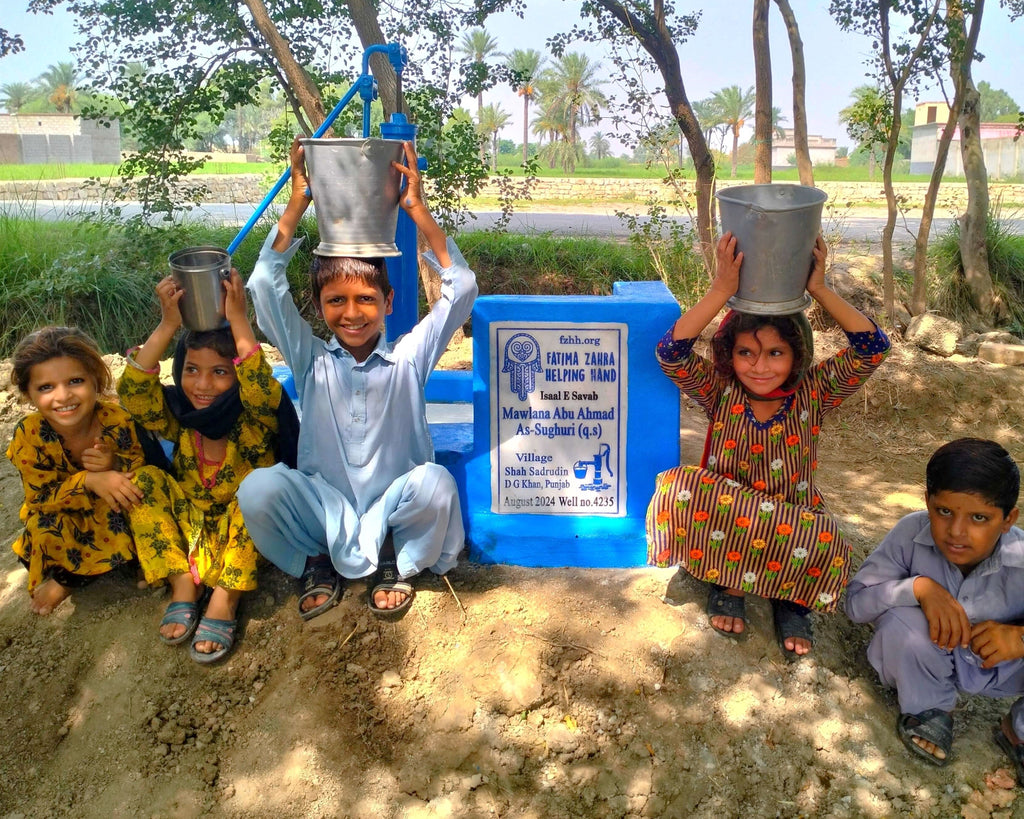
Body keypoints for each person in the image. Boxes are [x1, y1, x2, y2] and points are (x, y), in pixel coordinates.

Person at [237, 137, 475, 620]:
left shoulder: (408, 358)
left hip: (396, 507)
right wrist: (298, 201)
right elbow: (263, 283)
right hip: (324, 508)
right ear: (320, 308)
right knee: (257, 490)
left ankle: (396, 561)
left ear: (388, 303)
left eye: (366, 299)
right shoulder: (311, 361)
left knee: (435, 484)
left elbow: (462, 289)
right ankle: (316, 562)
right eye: (336, 301)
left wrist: (417, 211)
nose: (351, 314)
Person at [646, 231, 890, 657]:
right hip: (729, 520)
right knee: (677, 489)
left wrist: (818, 288)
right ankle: (729, 582)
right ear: (729, 355)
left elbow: (872, 348)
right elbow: (670, 352)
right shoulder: (719, 391)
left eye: (776, 353)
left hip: (789, 524)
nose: (759, 367)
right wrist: (721, 290)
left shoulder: (814, 393)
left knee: (828, 539)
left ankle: (789, 601)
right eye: (746, 353)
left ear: (797, 355)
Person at [118, 269, 298, 663]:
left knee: (255, 492)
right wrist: (168, 323)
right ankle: (183, 584)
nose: (202, 385)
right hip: (190, 528)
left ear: (236, 378)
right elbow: (133, 394)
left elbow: (263, 391)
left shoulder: (253, 420)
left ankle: (225, 599)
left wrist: (239, 321)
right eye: (191, 370)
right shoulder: (179, 416)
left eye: (220, 372)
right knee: (145, 481)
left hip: (242, 534)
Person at [846, 438, 1024, 776]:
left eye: (979, 517)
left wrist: (1019, 638)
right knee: (900, 623)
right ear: (927, 502)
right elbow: (856, 604)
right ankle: (930, 709)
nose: (957, 532)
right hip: (929, 658)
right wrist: (917, 588)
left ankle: (1018, 732)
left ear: (1007, 520)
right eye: (944, 512)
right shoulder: (909, 535)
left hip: (1005, 671)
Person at [7, 326, 146, 614]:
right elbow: (39, 498)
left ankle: (132, 561)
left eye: (75, 381)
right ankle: (70, 579)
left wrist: (114, 465)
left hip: (111, 508)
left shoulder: (115, 419)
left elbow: (140, 464)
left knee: (138, 502)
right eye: (46, 387)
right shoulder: (29, 435)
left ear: (96, 380)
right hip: (64, 512)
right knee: (44, 531)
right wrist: (88, 480)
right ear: (28, 393)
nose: (64, 396)